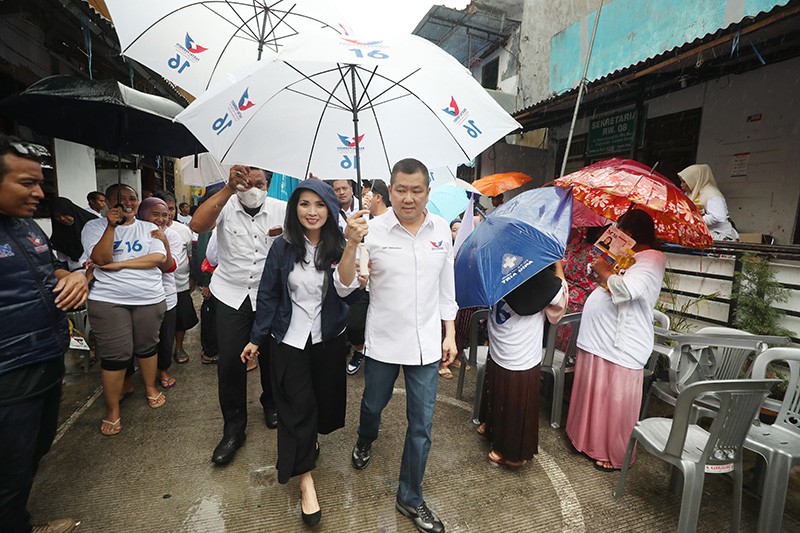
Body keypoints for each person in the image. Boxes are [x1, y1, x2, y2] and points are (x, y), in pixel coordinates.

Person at [335, 158, 458, 533]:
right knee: (373, 404)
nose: (408, 198)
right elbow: (344, 285)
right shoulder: (369, 231)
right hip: (385, 342)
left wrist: (449, 332)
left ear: (427, 193)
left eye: (416, 191)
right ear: (390, 191)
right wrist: (351, 247)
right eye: (401, 190)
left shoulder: (441, 232)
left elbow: (445, 289)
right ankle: (364, 439)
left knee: (421, 424)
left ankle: (410, 496)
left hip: (425, 346)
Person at [242, 179, 362, 526]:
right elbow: (267, 295)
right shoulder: (282, 247)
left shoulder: (341, 243)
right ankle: (305, 479)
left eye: (320, 204)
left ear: (331, 208)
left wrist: (354, 249)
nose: (312, 211)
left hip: (327, 337)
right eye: (304, 204)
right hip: (288, 338)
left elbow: (347, 293)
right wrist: (256, 338)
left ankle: (310, 442)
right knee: (296, 405)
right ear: (295, 208)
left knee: (322, 403)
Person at [0, 135, 86, 533]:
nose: (39, 193)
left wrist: (71, 277)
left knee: (32, 452)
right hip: (10, 373)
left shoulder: (27, 226)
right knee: (10, 469)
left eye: (40, 183)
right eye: (27, 183)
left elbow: (50, 266)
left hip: (46, 357)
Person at [190, 165, 287, 465]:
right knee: (231, 360)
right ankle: (234, 427)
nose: (253, 189)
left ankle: (271, 403)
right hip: (231, 293)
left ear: (268, 185)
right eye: (247, 183)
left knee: (273, 356)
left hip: (268, 295)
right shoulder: (226, 203)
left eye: (260, 183)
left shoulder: (281, 210)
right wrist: (229, 189)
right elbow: (197, 225)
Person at [565, 209, 666, 472]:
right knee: (594, 392)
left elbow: (628, 290)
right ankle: (586, 441)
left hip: (623, 340)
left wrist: (604, 271)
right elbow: (601, 278)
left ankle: (615, 453)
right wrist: (599, 267)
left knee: (616, 400)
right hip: (599, 337)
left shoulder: (652, 259)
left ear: (631, 233)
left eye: (621, 229)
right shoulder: (628, 254)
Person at [81, 183, 168, 436]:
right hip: (108, 299)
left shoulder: (149, 227)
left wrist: (121, 266)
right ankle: (112, 410)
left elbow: (157, 258)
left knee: (147, 346)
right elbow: (101, 259)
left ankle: (150, 387)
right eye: (121, 199)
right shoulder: (93, 227)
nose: (128, 203)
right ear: (108, 202)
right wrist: (111, 226)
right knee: (115, 355)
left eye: (133, 198)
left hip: (148, 297)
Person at [480, 265, 568, 468]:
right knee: (514, 395)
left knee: (499, 384)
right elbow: (559, 300)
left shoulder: (496, 260)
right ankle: (512, 452)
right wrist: (559, 268)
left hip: (501, 332)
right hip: (520, 343)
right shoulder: (534, 269)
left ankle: (492, 427)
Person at [346, 178, 390, 375]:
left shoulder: (392, 221)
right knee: (354, 324)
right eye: (363, 195)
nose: (363, 199)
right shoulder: (363, 222)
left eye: (366, 195)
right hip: (363, 284)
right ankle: (359, 349)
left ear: (378, 197)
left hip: (384, 286)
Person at [137, 198, 182, 390]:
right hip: (139, 295)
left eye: (165, 214)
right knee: (142, 339)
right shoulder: (132, 231)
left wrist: (164, 243)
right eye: (155, 214)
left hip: (166, 295)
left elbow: (169, 267)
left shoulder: (172, 235)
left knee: (165, 337)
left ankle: (163, 370)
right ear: (143, 213)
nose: (161, 219)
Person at [155, 192, 197, 364]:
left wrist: (192, 278)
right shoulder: (145, 229)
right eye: (162, 209)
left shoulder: (183, 230)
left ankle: (178, 347)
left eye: (170, 209)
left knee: (181, 320)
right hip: (156, 286)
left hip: (179, 283)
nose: (167, 214)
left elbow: (190, 256)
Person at [678, 164, 739, 241]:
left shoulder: (712, 194)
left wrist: (694, 220)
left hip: (718, 236)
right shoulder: (691, 194)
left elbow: (718, 217)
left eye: (684, 182)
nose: (681, 185)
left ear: (695, 180)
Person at [49, 196, 97, 272]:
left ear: (70, 211)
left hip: (96, 269)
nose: (62, 218)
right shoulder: (59, 232)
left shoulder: (93, 223)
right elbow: (62, 258)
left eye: (65, 214)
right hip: (74, 271)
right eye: (57, 216)